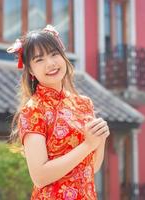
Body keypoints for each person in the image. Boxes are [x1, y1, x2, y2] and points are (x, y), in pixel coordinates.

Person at [7, 24, 110, 200]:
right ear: (30, 70)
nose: (51, 63)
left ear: (63, 56)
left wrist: (99, 141)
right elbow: (40, 177)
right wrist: (88, 145)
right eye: (39, 59)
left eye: (54, 54)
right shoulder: (32, 110)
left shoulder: (84, 104)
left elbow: (91, 168)